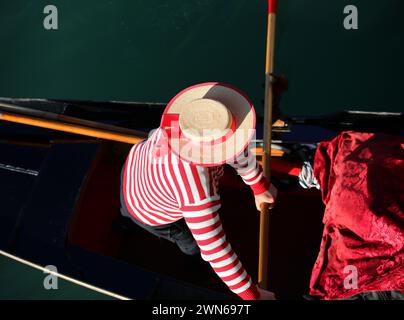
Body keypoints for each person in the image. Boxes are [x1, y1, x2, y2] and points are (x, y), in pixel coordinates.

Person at [120, 82, 278, 300]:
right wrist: (253, 296)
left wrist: (259, 186)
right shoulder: (196, 192)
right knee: (193, 247)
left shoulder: (188, 119)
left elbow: (235, 147)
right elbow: (215, 250)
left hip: (136, 160)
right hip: (147, 210)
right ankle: (189, 261)